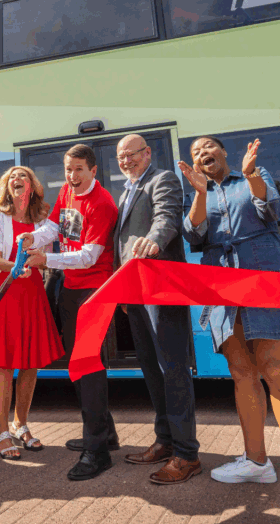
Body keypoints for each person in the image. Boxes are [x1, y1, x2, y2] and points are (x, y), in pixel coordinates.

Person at [179, 136, 280, 514]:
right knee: (242, 372)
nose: (202, 153)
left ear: (224, 152)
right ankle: (257, 463)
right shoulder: (199, 192)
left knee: (276, 370)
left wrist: (252, 172)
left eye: (209, 147)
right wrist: (199, 194)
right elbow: (193, 234)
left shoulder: (252, 176)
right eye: (195, 152)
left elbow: (272, 206)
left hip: (266, 276)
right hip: (221, 284)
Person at [23, 144, 119, 481]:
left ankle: (98, 453)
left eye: (78, 169)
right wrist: (33, 237)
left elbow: (90, 256)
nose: (71, 176)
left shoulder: (103, 203)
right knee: (76, 367)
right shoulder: (67, 191)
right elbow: (54, 229)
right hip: (71, 289)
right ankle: (104, 432)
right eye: (67, 169)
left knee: (88, 366)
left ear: (93, 170)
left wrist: (45, 259)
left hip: (95, 291)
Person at [112, 134, 202, 484]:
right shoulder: (126, 191)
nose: (126, 161)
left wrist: (155, 239)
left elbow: (166, 218)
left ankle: (187, 454)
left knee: (173, 370)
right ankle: (164, 441)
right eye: (121, 157)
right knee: (151, 370)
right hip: (134, 290)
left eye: (131, 155)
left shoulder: (161, 179)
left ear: (147, 153)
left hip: (161, 288)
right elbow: (121, 243)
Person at [0, 167, 64, 460]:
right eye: (12, 177)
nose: (17, 179)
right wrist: (14, 268)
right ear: (7, 187)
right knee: (5, 365)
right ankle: (2, 430)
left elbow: (47, 250)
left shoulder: (43, 221)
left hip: (33, 292)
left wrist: (33, 253)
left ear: (32, 186)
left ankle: (20, 423)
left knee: (30, 364)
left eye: (23, 176)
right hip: (8, 291)